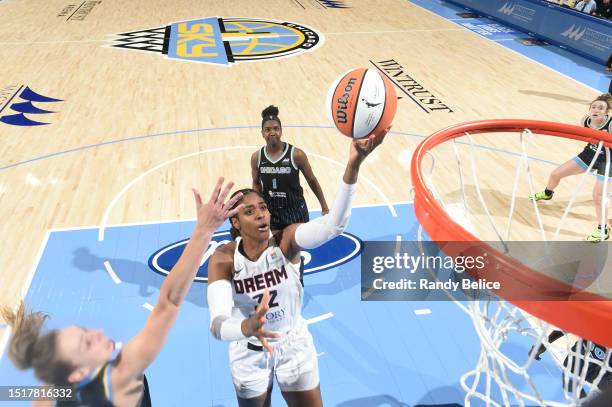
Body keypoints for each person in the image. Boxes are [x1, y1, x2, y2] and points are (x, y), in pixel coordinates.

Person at [1, 178, 243, 407]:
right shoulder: (121, 377)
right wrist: (203, 230)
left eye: (85, 331)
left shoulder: (54, 388)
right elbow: (168, 301)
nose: (96, 332)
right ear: (79, 373)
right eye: (87, 343)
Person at [208, 128, 389, 407]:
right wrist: (247, 326)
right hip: (249, 351)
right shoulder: (224, 259)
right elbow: (218, 325)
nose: (261, 214)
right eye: (250, 211)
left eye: (263, 207)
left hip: (293, 344)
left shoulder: (287, 240)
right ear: (235, 223)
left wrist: (353, 165)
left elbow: (334, 225)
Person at [529, 94, 612, 241]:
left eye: (601, 108)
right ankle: (548, 193)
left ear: (606, 113)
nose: (596, 110)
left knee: (598, 196)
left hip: (608, 161)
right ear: (589, 109)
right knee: (555, 174)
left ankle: (603, 230)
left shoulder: (610, 124)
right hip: (589, 154)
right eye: (594, 107)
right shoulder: (585, 120)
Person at [251, 105, 329, 232]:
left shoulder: (296, 155)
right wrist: (259, 208)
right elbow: (256, 183)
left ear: (281, 131)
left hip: (296, 211)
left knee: (296, 250)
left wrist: (324, 206)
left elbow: (312, 181)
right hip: (272, 212)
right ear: (262, 133)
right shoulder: (257, 157)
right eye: (267, 129)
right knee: (276, 250)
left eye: (276, 129)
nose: (272, 133)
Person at [530, 330, 612, 398]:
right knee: (570, 385)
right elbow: (568, 325)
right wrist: (545, 343)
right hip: (588, 363)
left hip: (601, 371)